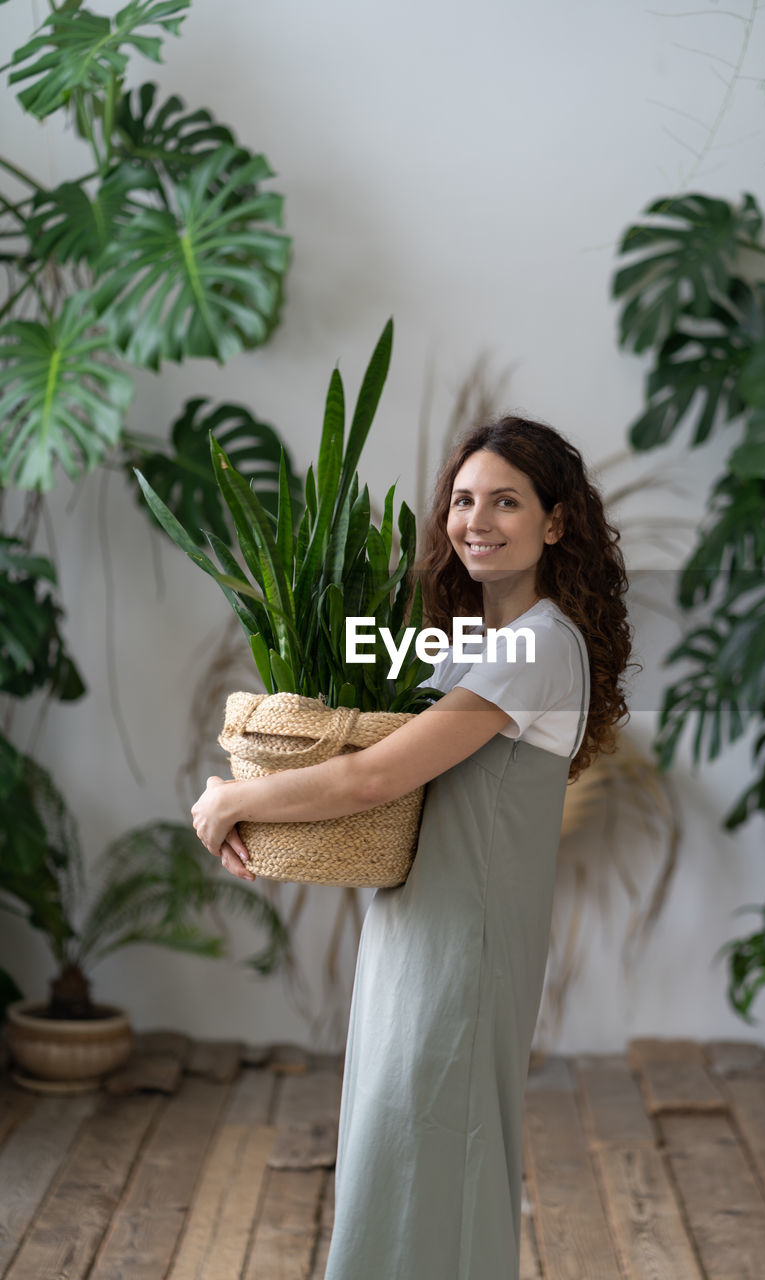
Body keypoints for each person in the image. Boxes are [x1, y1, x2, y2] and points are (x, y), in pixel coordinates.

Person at [191, 416, 633, 1280]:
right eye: (463, 500)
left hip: (462, 944)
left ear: (556, 523)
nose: (477, 519)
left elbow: (372, 779)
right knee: (401, 1157)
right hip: (417, 928)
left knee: (433, 1158)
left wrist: (232, 798)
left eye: (506, 501)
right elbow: (346, 735)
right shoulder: (471, 643)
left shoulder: (539, 646)